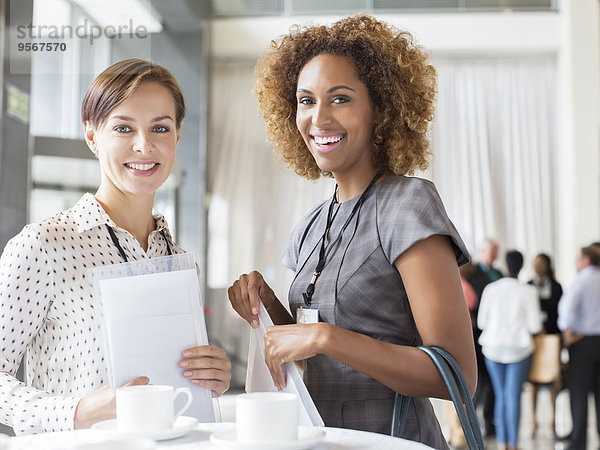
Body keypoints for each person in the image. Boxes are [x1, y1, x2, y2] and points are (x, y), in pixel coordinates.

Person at [227, 14, 476, 449]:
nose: (318, 118)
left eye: (339, 99)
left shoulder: (407, 204)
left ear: (380, 107)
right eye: (305, 101)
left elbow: (455, 374)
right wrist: (267, 305)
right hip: (322, 438)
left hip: (391, 440)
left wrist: (327, 338)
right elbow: (312, 360)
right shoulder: (311, 226)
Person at [0, 59, 231, 434]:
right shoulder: (44, 246)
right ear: (92, 136)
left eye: (160, 127)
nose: (144, 145)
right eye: (124, 128)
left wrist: (211, 378)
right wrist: (77, 411)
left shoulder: (179, 261)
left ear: (177, 135)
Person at [477, 250, 542, 450]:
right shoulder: (528, 291)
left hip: (493, 349)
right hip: (519, 350)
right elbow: (535, 327)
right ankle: (513, 445)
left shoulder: (491, 289)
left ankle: (502, 444)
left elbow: (481, 322)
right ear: (522, 267)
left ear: (505, 265)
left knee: (500, 394)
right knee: (512, 395)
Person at [557, 245, 600, 450]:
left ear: (585, 261)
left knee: (579, 393)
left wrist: (568, 335)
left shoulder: (580, 282)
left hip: (583, 344)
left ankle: (578, 444)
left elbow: (566, 312)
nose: (575, 263)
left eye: (577, 259)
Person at [467, 238, 503, 438]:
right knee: (479, 380)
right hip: (478, 334)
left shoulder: (499, 274)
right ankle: (471, 424)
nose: (494, 256)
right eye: (491, 252)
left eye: (496, 252)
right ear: (482, 252)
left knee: (490, 382)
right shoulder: (473, 275)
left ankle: (490, 422)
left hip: (495, 334)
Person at [527, 253, 563, 437]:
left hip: (551, 338)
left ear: (548, 266)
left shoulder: (556, 287)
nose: (538, 267)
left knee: (551, 381)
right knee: (533, 381)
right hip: (533, 340)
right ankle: (533, 421)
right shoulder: (528, 285)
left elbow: (560, 314)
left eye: (541, 264)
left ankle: (553, 421)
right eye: (535, 264)